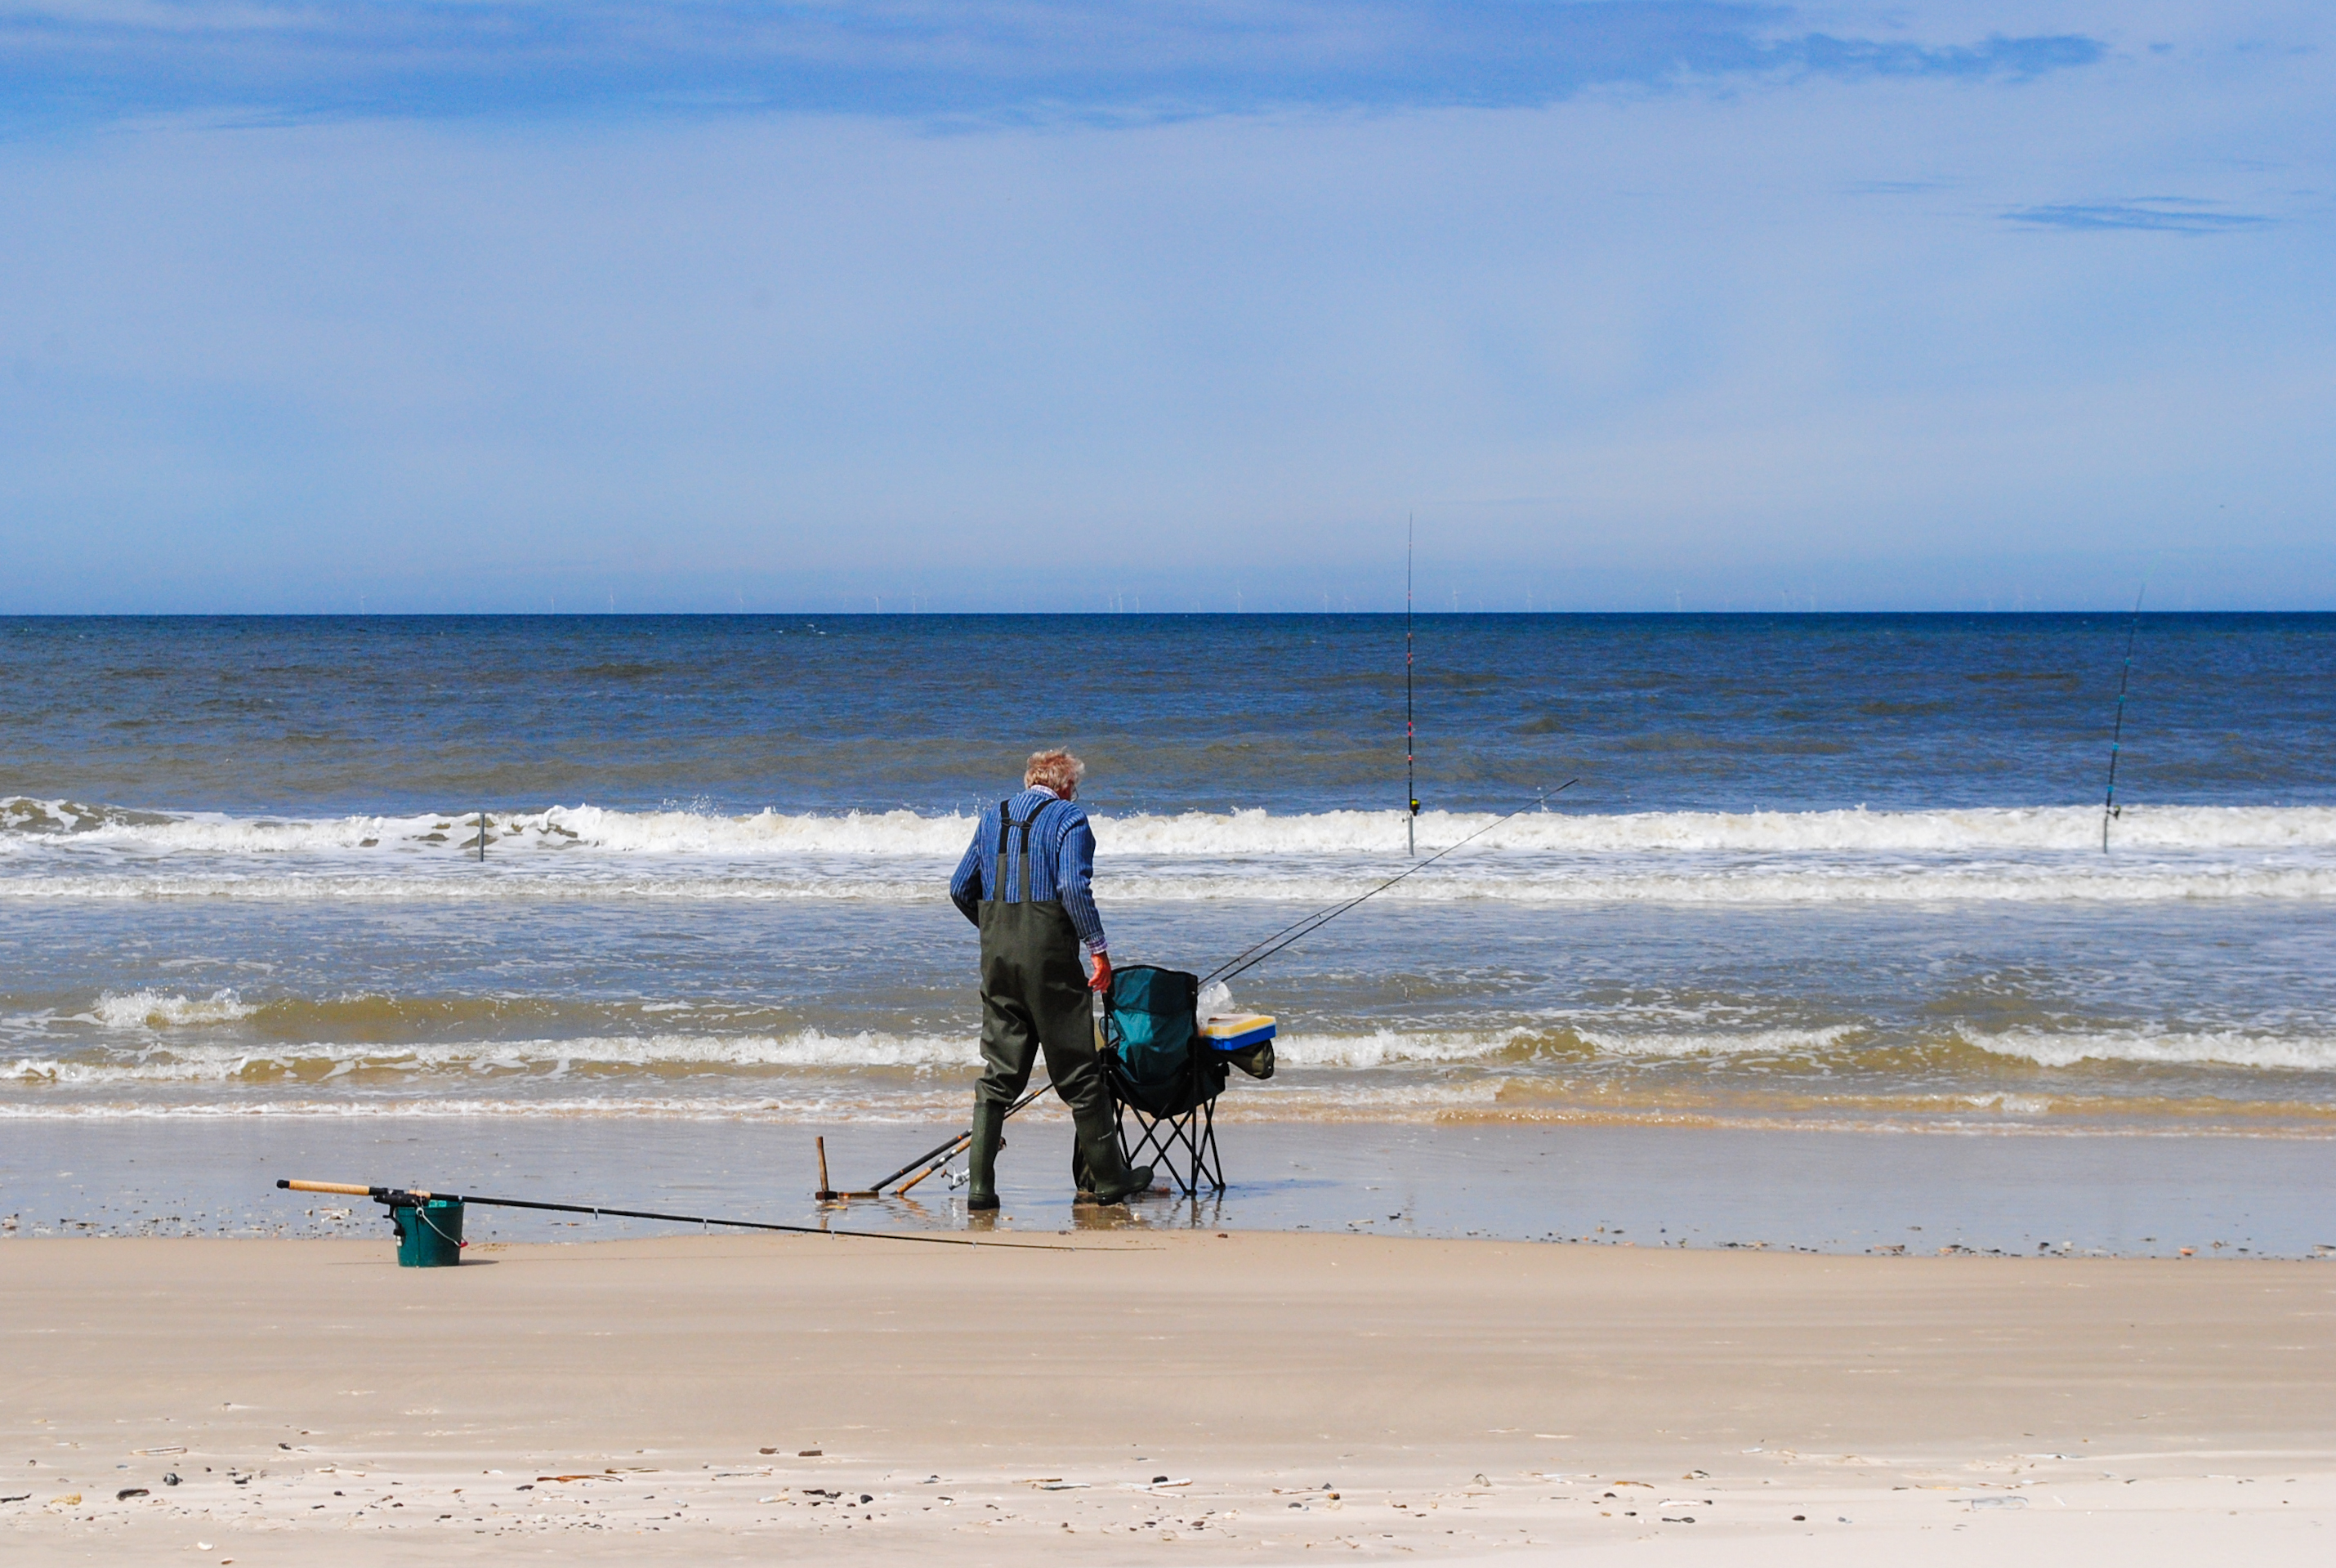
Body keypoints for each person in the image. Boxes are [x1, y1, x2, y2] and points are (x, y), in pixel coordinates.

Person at [949, 748, 1152, 1210]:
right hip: (1050, 960)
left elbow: (961, 888)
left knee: (999, 1075)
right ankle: (1109, 1179)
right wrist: (1098, 949)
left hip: (997, 959)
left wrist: (998, 930)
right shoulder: (1068, 820)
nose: (1075, 794)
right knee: (1080, 1072)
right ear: (1064, 785)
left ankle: (981, 1189)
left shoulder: (991, 817)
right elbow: (1073, 888)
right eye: (1075, 787)